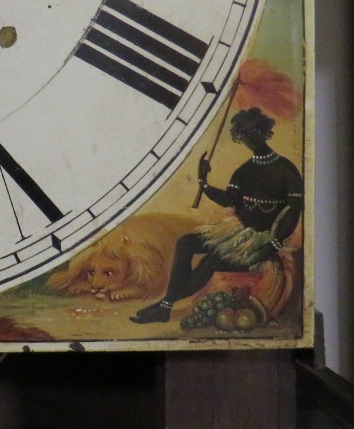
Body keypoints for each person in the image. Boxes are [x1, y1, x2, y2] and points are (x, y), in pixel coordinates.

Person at [130, 107, 303, 324]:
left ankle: (164, 306)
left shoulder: (286, 170)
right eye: (243, 134)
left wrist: (274, 244)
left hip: (263, 242)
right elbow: (231, 199)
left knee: (210, 263)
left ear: (263, 130)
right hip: (238, 235)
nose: (249, 138)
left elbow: (294, 210)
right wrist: (204, 183)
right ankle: (165, 306)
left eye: (253, 131)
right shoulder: (244, 170)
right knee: (186, 243)